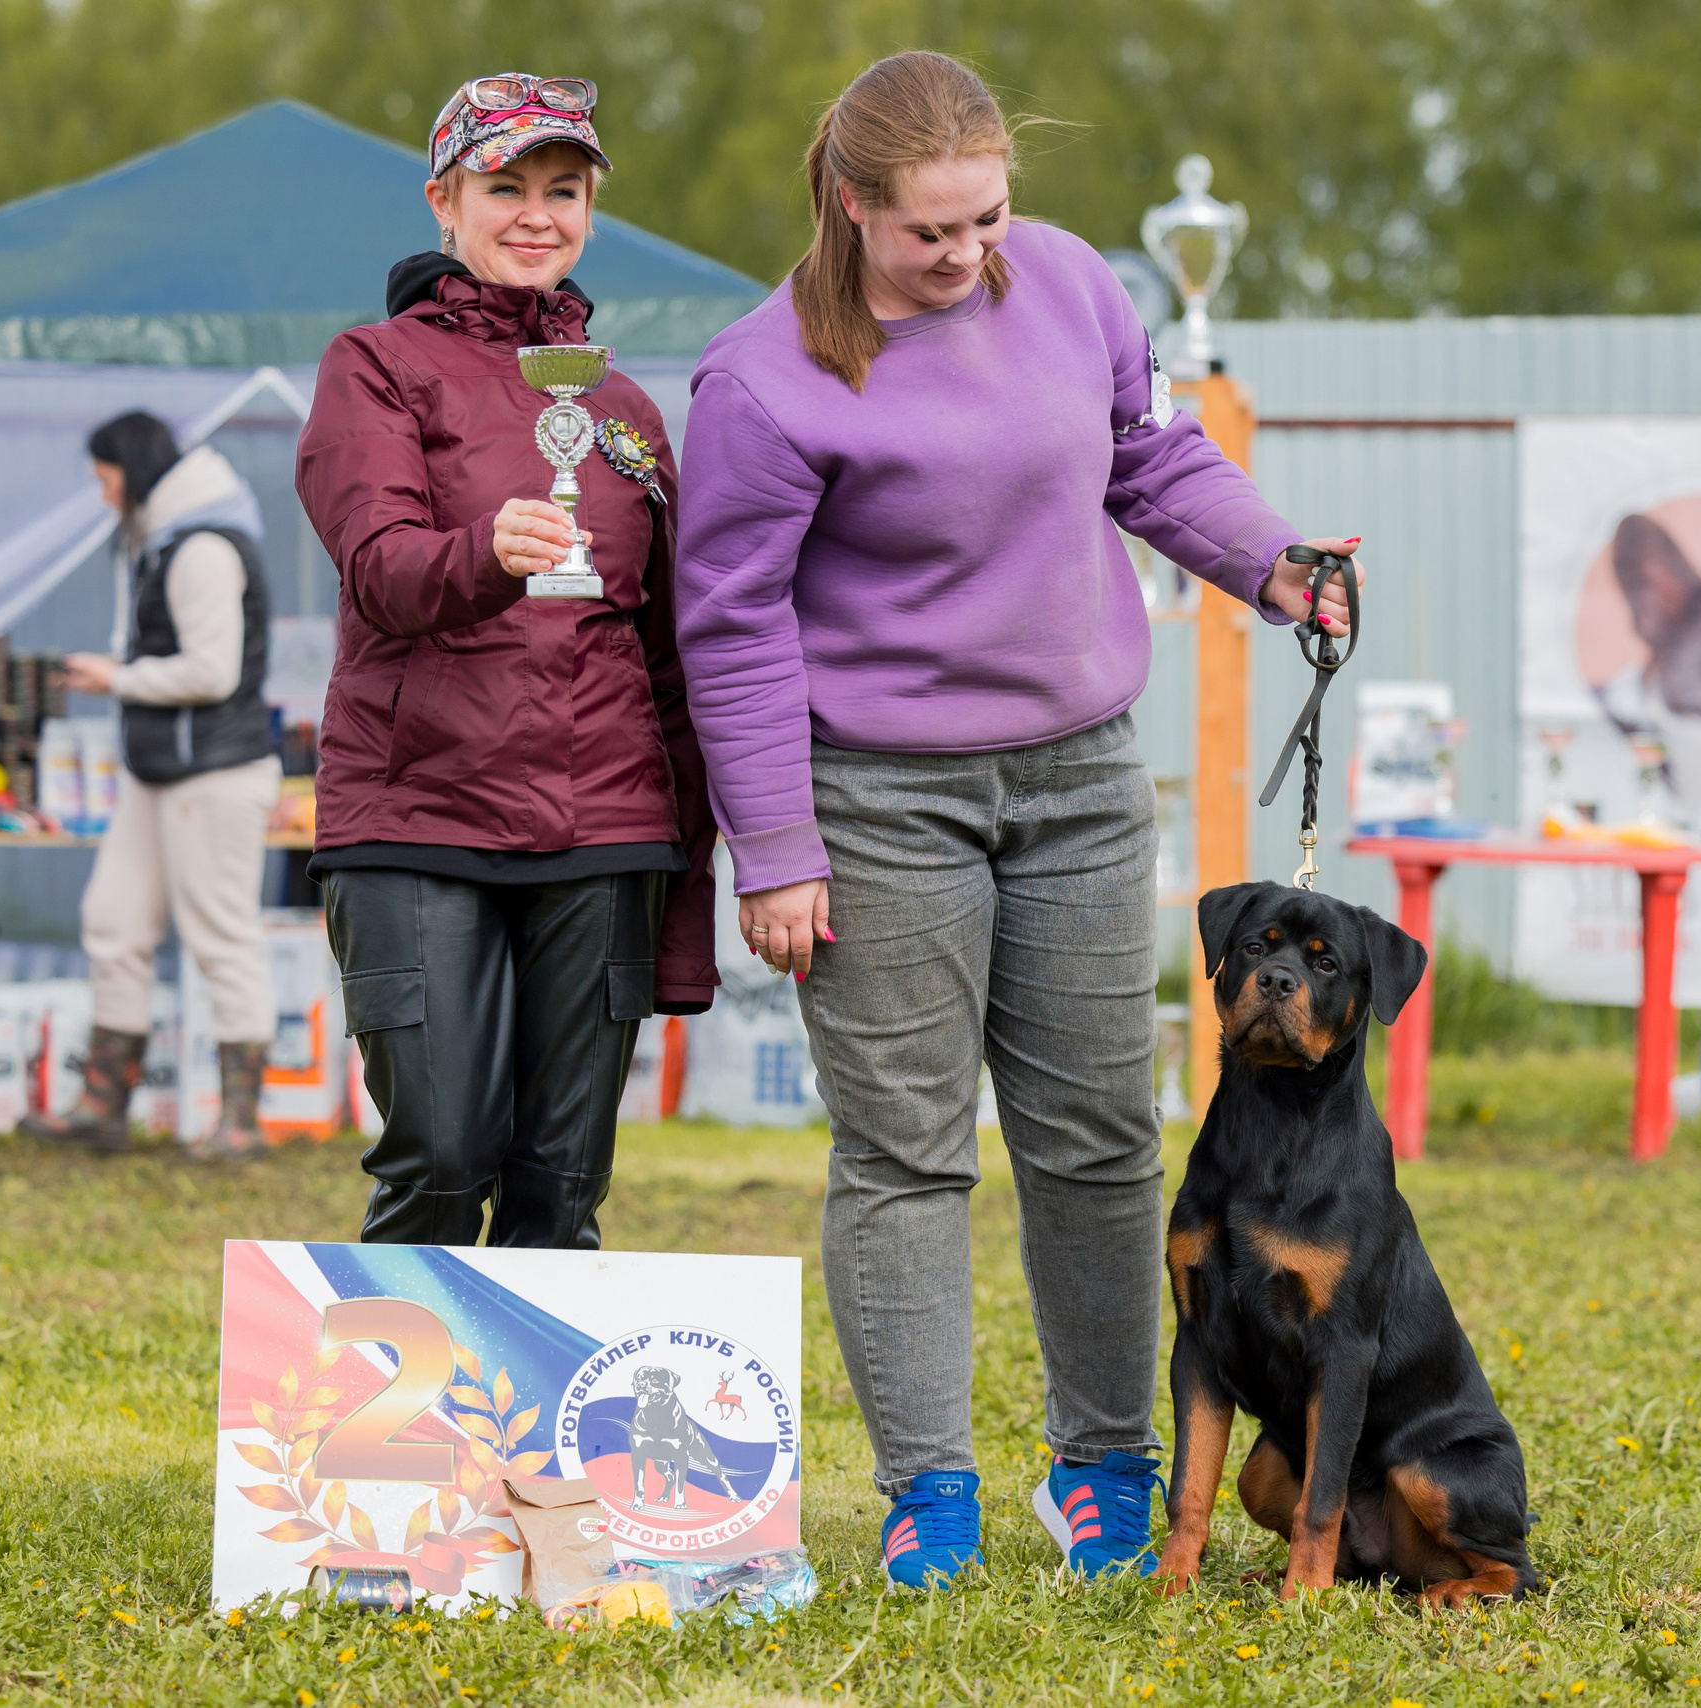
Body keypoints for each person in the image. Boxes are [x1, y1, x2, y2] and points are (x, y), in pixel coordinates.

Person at [675, 50, 1361, 1588]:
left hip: (1081, 781)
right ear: (851, 203)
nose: (967, 253)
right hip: (878, 797)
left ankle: (1104, 1471)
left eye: (987, 218)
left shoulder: (1071, 285)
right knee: (907, 1152)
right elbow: (731, 623)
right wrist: (774, 848)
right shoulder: (761, 379)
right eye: (931, 230)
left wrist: (1273, 561)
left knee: (1103, 1142)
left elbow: (1148, 457)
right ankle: (927, 1491)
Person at [294, 74, 717, 1249]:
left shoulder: (624, 409)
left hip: (605, 825)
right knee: (439, 1155)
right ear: (443, 201)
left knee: (561, 1186)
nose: (537, 214)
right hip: (415, 813)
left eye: (563, 190)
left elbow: (669, 656)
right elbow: (380, 569)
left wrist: (690, 871)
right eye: (504, 186)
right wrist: (486, 553)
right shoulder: (372, 364)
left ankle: (531, 1383)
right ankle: (400, 1379)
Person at [24, 410, 280, 1160]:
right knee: (112, 921)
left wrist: (118, 678)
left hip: (216, 773)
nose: (103, 495)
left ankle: (240, 1122)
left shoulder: (202, 548)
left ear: (133, 471)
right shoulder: (167, 539)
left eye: (105, 480)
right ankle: (102, 1106)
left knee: (221, 938)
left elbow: (214, 672)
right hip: (158, 770)